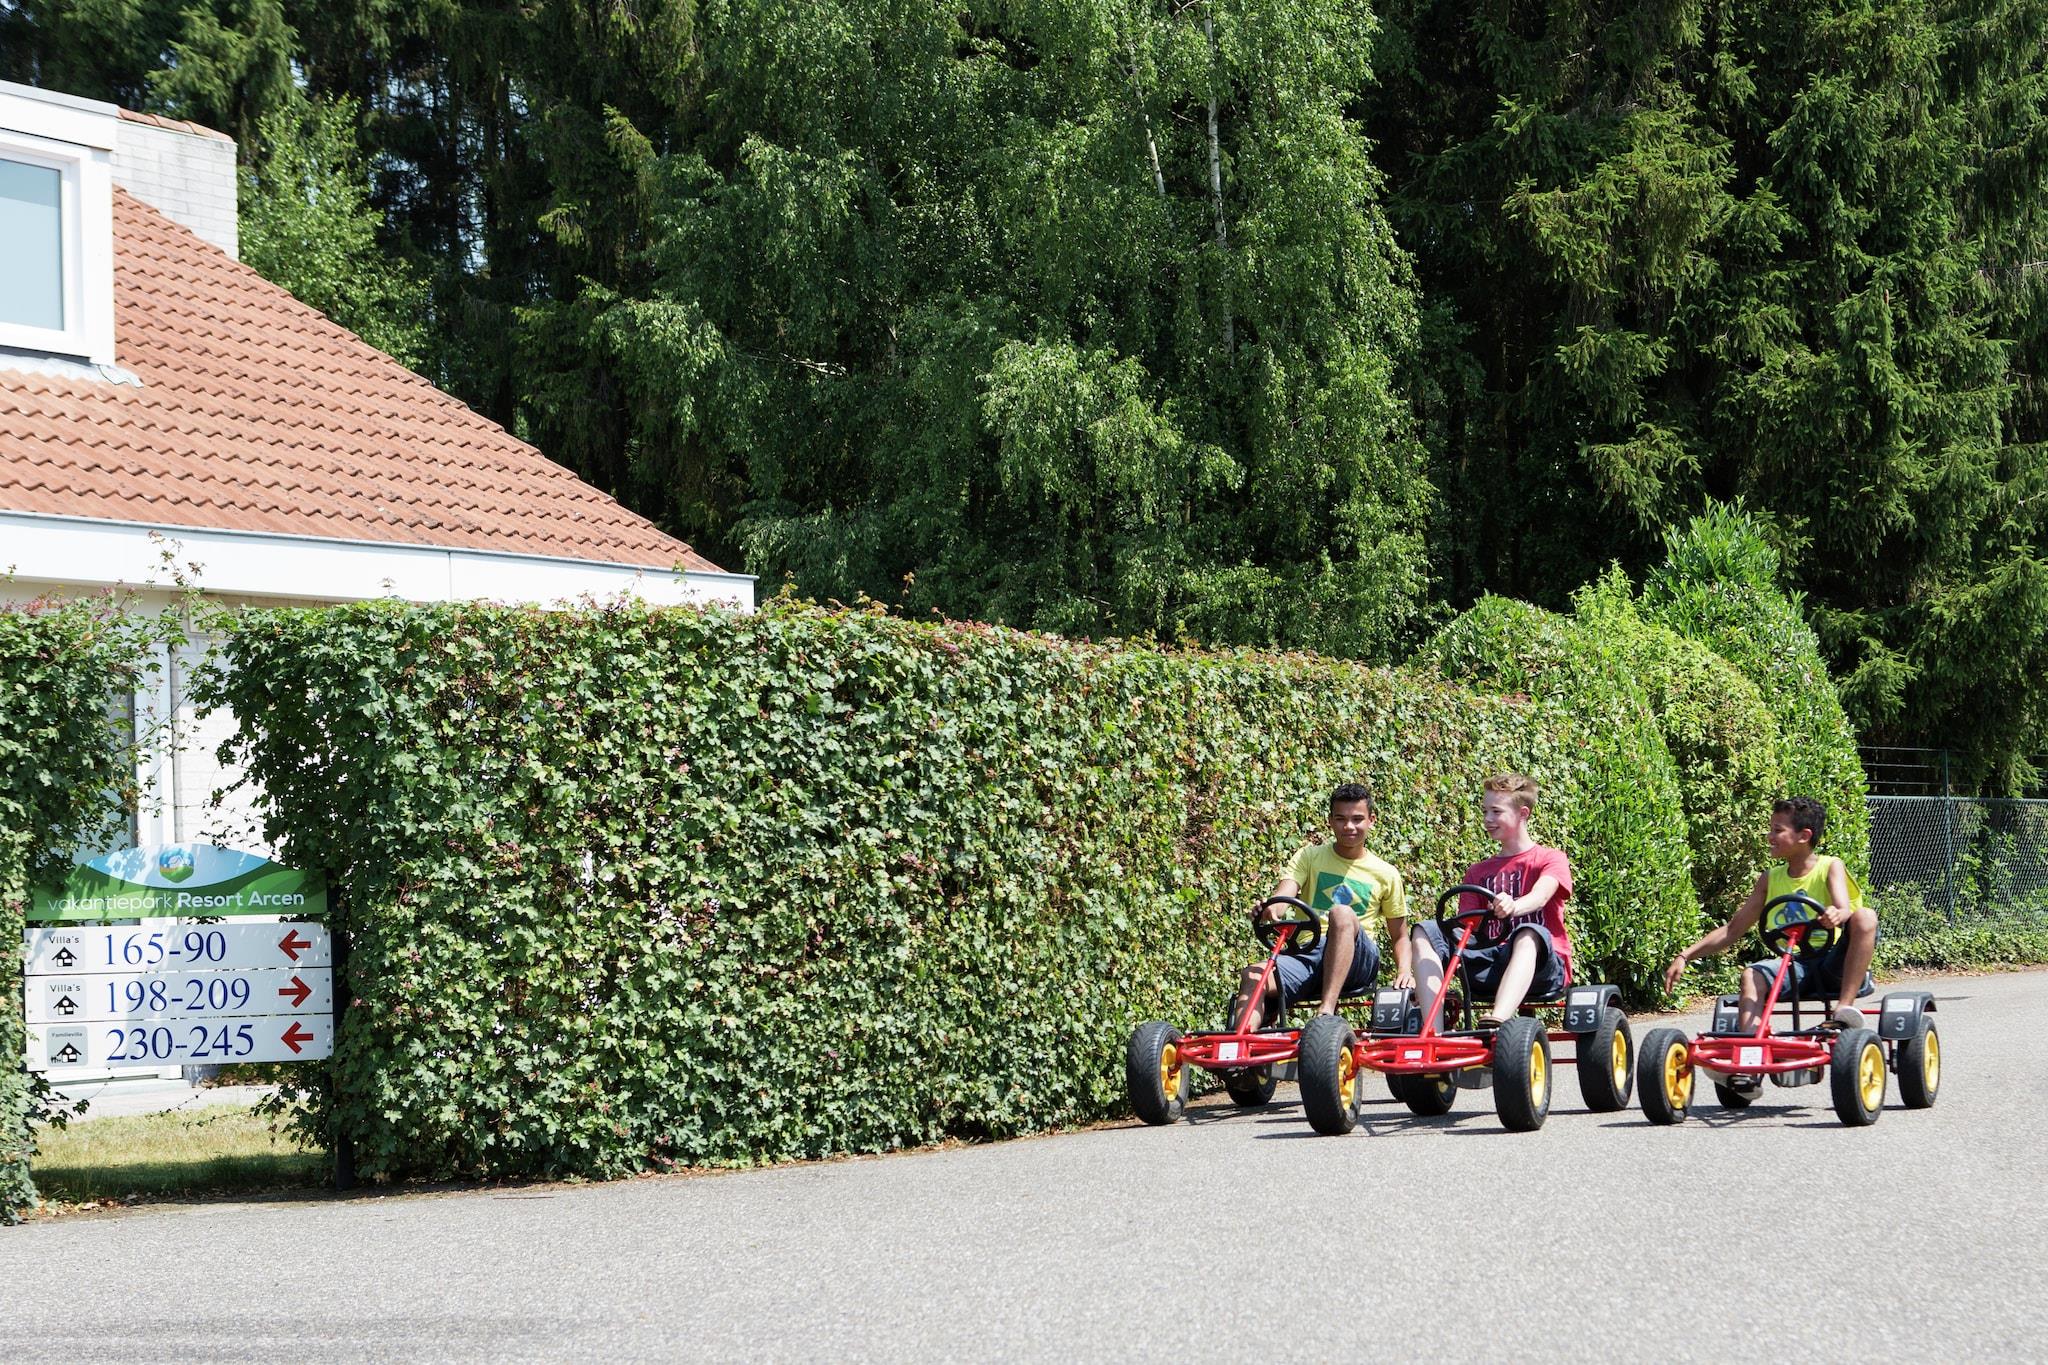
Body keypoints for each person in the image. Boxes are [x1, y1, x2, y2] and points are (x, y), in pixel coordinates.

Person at [1663, 796, 1877, 1048]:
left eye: (1777, 830)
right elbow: (1732, 930)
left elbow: (1843, 908)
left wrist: (1836, 915)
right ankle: (1752, 1049)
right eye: (1771, 829)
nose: (1769, 836)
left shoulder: (1830, 866)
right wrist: (1685, 956)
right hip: (1795, 966)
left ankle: (1843, 1011)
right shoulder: (1769, 878)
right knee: (1752, 974)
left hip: (1835, 965)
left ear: (1804, 836)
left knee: (1865, 916)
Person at [1236, 782, 1412, 1030]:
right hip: (1309, 953)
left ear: (1371, 821)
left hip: (1358, 960)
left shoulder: (1386, 873)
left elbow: (1400, 936)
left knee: (1341, 913)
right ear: (1330, 821)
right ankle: (1242, 1043)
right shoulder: (1309, 856)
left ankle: (1325, 1012)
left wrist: (1404, 971)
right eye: (1341, 819)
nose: (1349, 826)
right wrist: (1270, 910)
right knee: (1253, 975)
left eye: (1357, 819)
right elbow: (1283, 897)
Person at [1411, 772, 1573, 1027]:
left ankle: (1499, 1019)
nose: (1487, 819)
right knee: (1425, 930)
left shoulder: (1550, 858)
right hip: (1488, 962)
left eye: (1496, 812)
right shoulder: (1477, 872)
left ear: (1523, 814)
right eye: (1485, 811)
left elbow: (1541, 896)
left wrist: (1514, 906)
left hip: (1543, 968)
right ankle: (1433, 1031)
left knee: (1528, 932)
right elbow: (1468, 928)